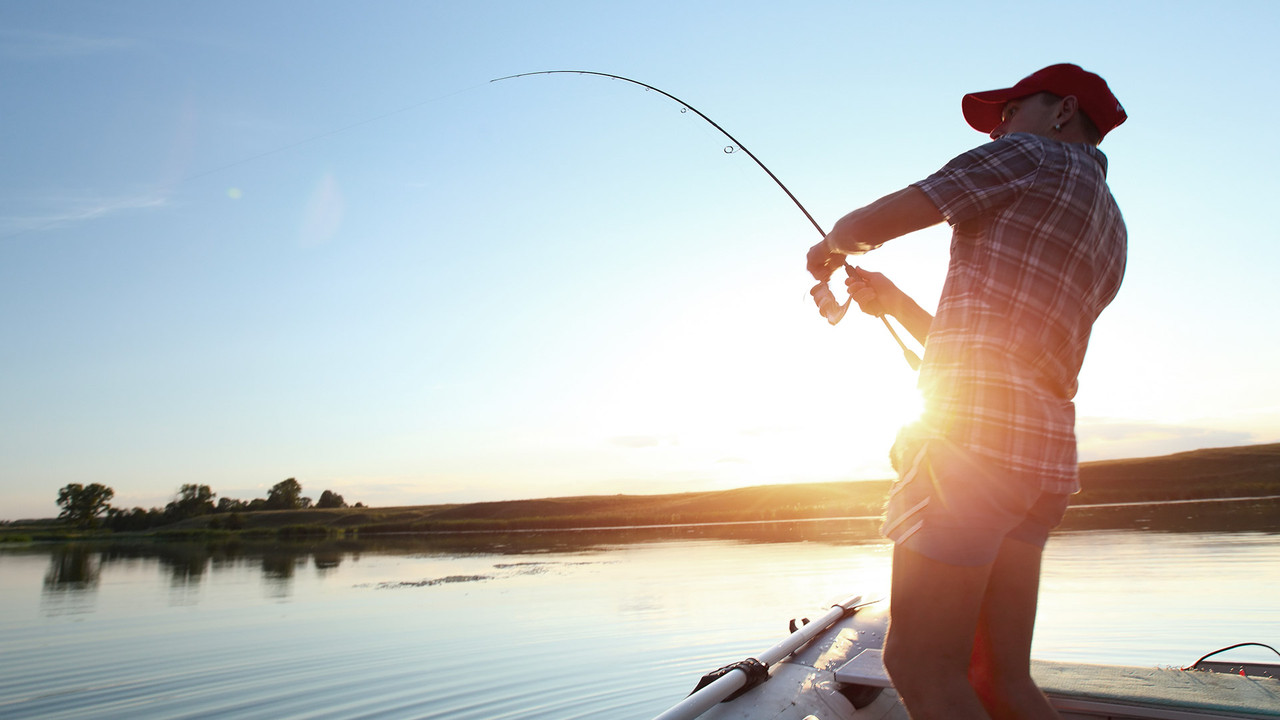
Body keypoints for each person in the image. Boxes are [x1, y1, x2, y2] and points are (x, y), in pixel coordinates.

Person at [805, 64, 1128, 719]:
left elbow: (877, 220)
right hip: (1040, 462)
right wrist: (894, 303)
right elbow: (1003, 350)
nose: (1000, 126)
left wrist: (833, 245)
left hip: (972, 451)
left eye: (1010, 110)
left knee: (919, 665)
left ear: (1062, 111)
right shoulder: (1111, 225)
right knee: (1001, 678)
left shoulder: (1029, 154)